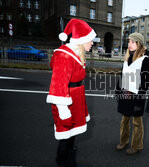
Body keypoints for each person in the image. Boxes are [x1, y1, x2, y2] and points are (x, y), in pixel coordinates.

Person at [46, 19, 96, 167]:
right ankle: (62, 163)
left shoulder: (74, 52)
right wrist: (63, 111)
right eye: (90, 40)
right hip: (66, 103)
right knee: (65, 138)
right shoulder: (64, 55)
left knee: (71, 136)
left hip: (75, 99)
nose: (92, 43)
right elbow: (58, 86)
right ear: (81, 40)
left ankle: (70, 163)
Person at [116, 32, 149, 154]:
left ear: (139, 44)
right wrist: (118, 90)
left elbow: (145, 84)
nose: (129, 44)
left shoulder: (145, 60)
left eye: (133, 42)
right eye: (129, 41)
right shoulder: (126, 59)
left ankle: (137, 146)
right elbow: (122, 75)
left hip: (137, 96)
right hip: (125, 94)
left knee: (137, 123)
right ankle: (123, 141)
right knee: (124, 120)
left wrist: (140, 101)